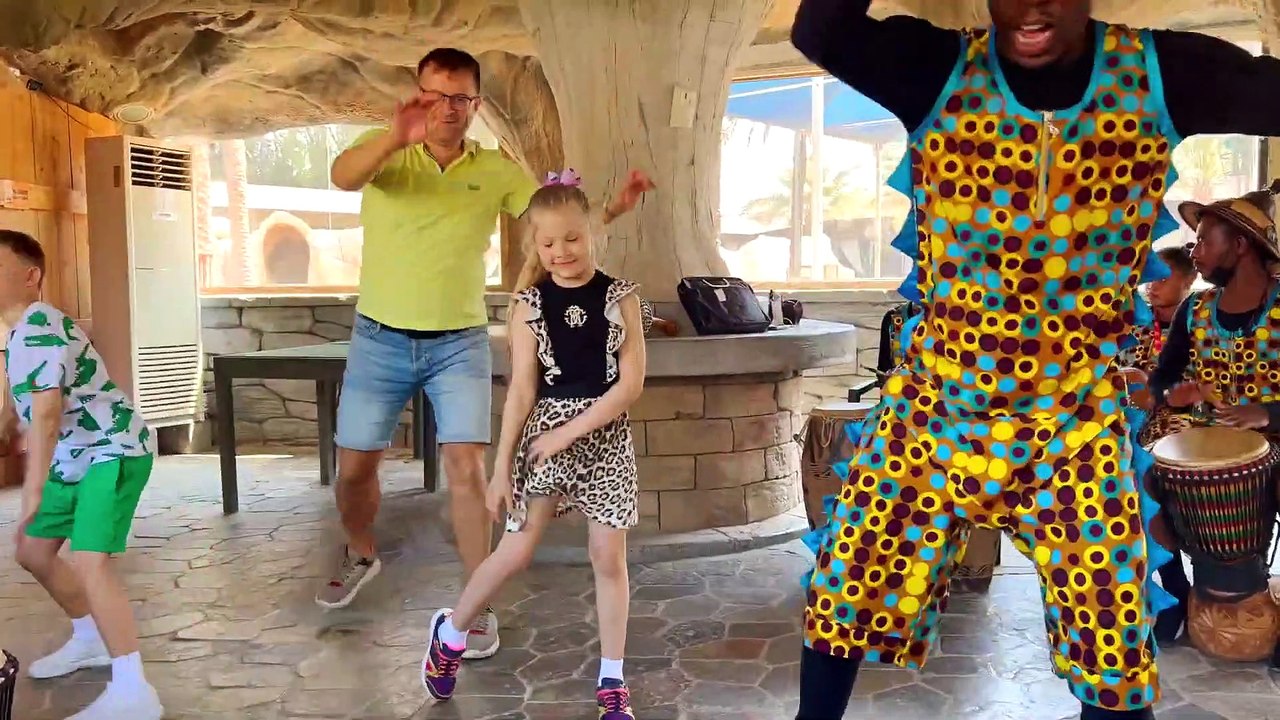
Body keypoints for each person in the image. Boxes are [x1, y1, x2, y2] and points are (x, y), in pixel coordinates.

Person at [789, 1, 1280, 718]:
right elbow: (820, 30)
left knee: (1113, 641)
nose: (1033, 4)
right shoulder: (935, 70)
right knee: (842, 595)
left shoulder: (1160, 74)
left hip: (1073, 431)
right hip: (932, 415)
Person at [319, 46, 653, 664]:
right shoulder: (386, 151)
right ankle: (360, 548)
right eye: (435, 95)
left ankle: (476, 608)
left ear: (476, 103)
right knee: (356, 469)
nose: (448, 109)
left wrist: (611, 210)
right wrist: (394, 137)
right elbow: (343, 178)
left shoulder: (496, 169)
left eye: (461, 98)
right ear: (417, 94)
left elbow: (558, 227)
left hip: (459, 341)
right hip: (379, 338)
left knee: (467, 469)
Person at [419, 173, 645, 720]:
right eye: (547, 243)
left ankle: (612, 680)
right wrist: (501, 469)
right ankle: (450, 633)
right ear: (535, 245)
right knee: (516, 549)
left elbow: (631, 384)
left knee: (607, 556)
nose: (561, 252)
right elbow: (521, 389)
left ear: (590, 231)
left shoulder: (622, 298)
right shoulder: (528, 305)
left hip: (603, 439)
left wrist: (570, 432)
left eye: (571, 238)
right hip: (541, 443)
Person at [0, 230, 161, 720]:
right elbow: (12, 411)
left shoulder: (42, 323)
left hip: (112, 450)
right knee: (33, 551)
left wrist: (30, 495)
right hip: (75, 458)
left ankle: (135, 691)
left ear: (31, 277)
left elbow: (46, 415)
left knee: (90, 559)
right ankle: (91, 638)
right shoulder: (12, 334)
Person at [1144, 183, 1280, 644]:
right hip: (1199, 429)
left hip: (1274, 435)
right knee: (1137, 480)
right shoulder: (1194, 309)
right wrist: (1171, 393)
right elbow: (1162, 378)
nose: (1194, 251)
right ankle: (1178, 594)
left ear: (1240, 246)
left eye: (1204, 240)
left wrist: (1266, 412)